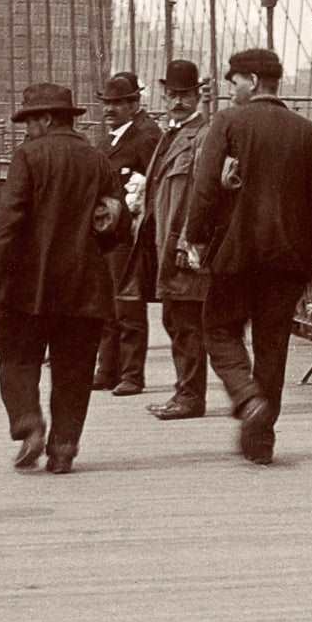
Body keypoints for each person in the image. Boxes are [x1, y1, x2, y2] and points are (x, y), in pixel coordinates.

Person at [186, 48, 312, 464]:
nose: (231, 91)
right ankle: (261, 442)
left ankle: (248, 400)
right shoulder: (306, 130)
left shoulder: (229, 122)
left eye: (234, 82)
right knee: (273, 347)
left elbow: (206, 188)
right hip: (287, 261)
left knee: (218, 330)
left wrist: (195, 238)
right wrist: (304, 253)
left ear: (250, 80)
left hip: (235, 254)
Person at [0, 81, 123, 475]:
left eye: (29, 121)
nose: (26, 130)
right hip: (86, 284)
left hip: (29, 286)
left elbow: (9, 220)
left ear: (44, 119)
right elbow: (116, 225)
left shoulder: (28, 156)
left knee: (16, 357)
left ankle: (29, 422)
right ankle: (63, 447)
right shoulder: (98, 160)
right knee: (75, 369)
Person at [137, 59, 213, 421]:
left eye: (184, 95)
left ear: (198, 96)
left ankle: (190, 397)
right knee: (176, 320)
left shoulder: (203, 137)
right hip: (163, 244)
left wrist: (190, 242)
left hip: (185, 246)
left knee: (186, 323)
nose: (177, 102)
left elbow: (203, 195)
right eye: (172, 95)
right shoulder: (170, 135)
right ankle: (184, 393)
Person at [92, 71, 161, 396]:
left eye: (118, 103)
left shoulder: (146, 136)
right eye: (107, 103)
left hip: (129, 235)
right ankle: (107, 370)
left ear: (135, 104)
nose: (110, 109)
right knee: (107, 303)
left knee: (128, 304)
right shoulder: (109, 139)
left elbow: (155, 184)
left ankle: (132, 374)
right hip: (106, 232)